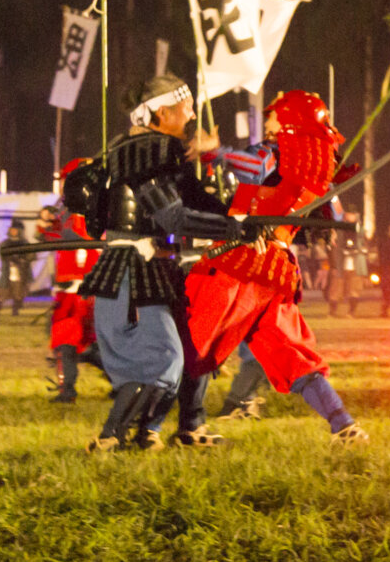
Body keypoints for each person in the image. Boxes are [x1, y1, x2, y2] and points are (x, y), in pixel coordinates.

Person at [178, 89, 370, 445]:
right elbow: (330, 211)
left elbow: (255, 166)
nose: (267, 120)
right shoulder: (316, 165)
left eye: (273, 115)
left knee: (195, 341)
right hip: (278, 266)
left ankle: (186, 428)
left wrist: (214, 152)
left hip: (238, 262)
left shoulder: (276, 155)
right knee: (291, 351)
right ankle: (342, 423)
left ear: (289, 120)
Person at [64, 74, 231, 452]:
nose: (191, 114)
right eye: (184, 107)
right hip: (132, 267)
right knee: (165, 359)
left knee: (174, 358)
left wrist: (239, 219)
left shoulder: (156, 149)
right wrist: (232, 227)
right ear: (163, 112)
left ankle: (141, 434)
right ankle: (111, 437)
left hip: (149, 265)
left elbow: (196, 201)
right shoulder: (149, 151)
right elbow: (173, 216)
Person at [43, 196, 99, 404]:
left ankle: (67, 389)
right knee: (75, 345)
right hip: (70, 291)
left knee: (70, 344)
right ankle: (122, 383)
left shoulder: (82, 218)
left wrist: (56, 227)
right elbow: (50, 236)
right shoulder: (67, 219)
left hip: (76, 292)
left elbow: (79, 240)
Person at [0, 217, 35, 318]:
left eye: (15, 230)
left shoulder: (25, 243)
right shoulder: (5, 243)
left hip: (20, 273)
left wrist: (22, 259)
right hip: (8, 272)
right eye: (11, 230)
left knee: (18, 293)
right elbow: (3, 255)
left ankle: (15, 311)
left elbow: (31, 256)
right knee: (2, 293)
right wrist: (11, 257)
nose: (13, 232)